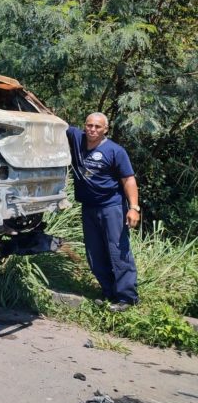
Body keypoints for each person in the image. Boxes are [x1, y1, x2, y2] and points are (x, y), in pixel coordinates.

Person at [66, 113, 140, 312]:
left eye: (97, 127)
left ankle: (127, 298)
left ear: (105, 129)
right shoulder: (76, 138)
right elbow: (53, 121)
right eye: (89, 125)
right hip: (88, 208)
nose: (92, 129)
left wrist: (133, 208)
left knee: (118, 251)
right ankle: (109, 292)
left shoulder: (115, 151)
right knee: (94, 253)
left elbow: (128, 180)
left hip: (112, 208)